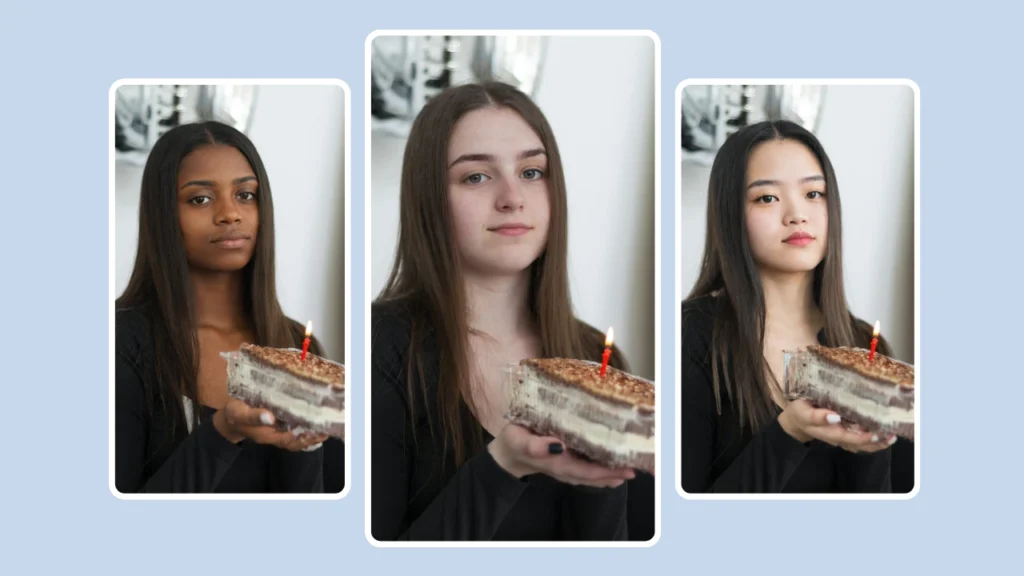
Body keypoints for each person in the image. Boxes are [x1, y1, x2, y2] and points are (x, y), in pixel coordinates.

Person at [371, 81, 652, 540]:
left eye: (531, 172)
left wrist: (606, 477)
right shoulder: (378, 345)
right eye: (476, 177)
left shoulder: (597, 359)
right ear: (428, 199)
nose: (512, 197)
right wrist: (503, 465)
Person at [115, 121, 344, 493]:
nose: (230, 214)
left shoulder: (296, 347)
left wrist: (307, 445)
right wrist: (223, 433)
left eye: (245, 195)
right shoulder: (120, 341)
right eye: (200, 199)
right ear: (162, 215)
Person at [679, 119, 908, 493]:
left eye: (813, 194)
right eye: (767, 198)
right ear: (730, 214)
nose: (797, 214)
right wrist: (789, 432)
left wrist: (873, 443)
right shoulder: (690, 336)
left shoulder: (867, 345)